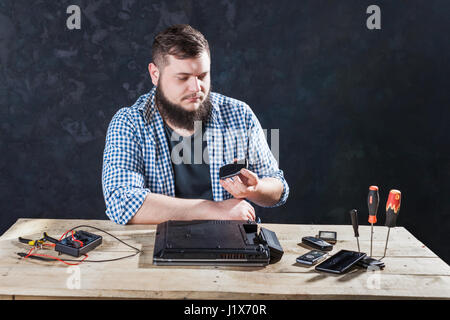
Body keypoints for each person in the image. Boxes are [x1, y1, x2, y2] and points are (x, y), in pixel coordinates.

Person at [102, 24, 289, 225]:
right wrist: (215, 210)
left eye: (202, 76)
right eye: (183, 78)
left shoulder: (239, 114)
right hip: (158, 246)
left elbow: (279, 189)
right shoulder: (129, 123)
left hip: (230, 246)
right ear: (155, 74)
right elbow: (121, 202)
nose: (196, 88)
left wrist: (256, 188)